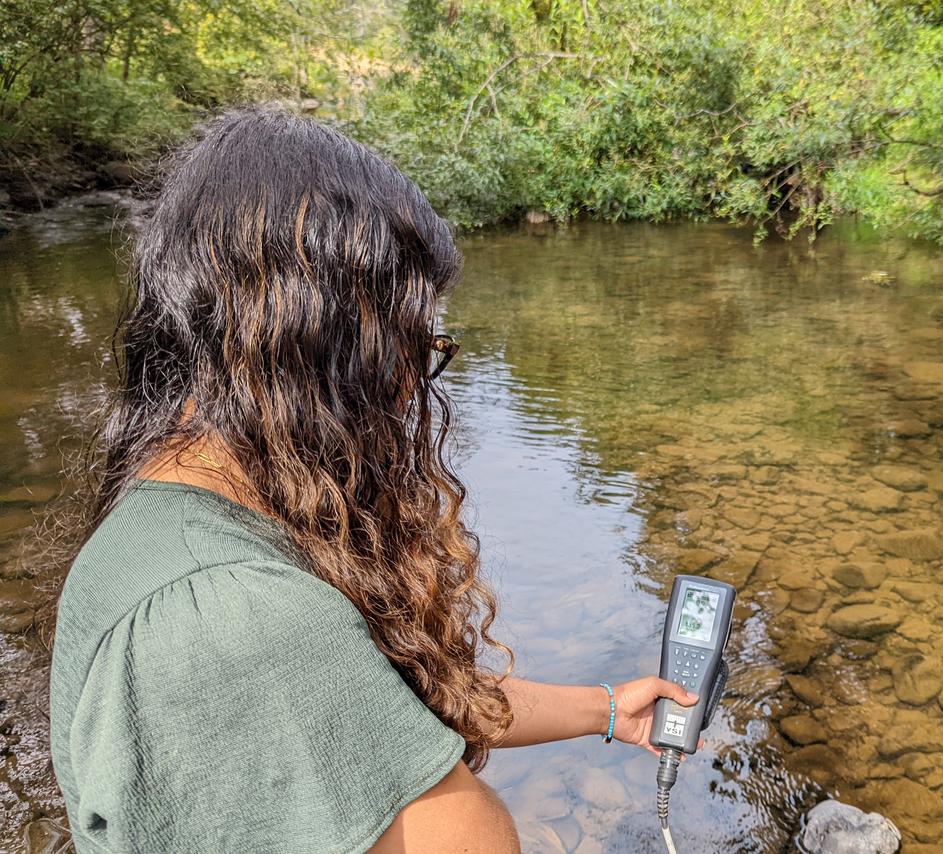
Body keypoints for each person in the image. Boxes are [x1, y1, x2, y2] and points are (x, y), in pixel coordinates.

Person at [45, 106, 697, 853]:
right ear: (324, 340)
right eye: (413, 345)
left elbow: (393, 703)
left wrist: (610, 709)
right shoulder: (235, 620)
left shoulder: (176, 520)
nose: (413, 389)